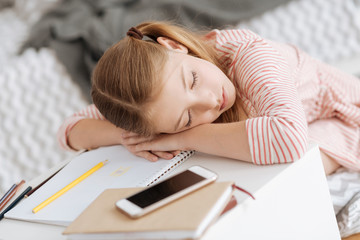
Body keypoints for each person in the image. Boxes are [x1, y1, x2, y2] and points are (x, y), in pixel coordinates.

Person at [57, 21, 360, 176]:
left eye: (193, 80)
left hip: (341, 117)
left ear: (173, 46)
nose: (210, 102)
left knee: (291, 175)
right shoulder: (146, 104)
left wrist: (182, 136)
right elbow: (69, 131)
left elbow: (289, 139)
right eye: (186, 117)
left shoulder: (249, 55)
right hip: (296, 127)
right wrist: (133, 136)